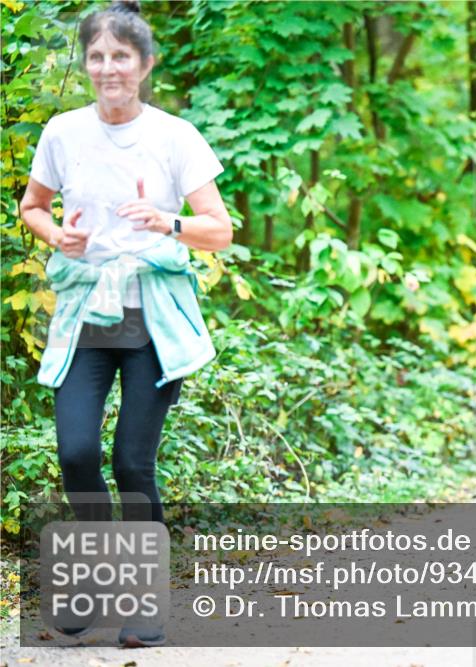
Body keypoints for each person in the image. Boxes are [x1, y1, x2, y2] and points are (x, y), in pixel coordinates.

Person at [19, 1, 232, 647]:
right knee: (76, 451)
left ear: (145, 63)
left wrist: (165, 221)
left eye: (121, 56)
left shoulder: (175, 136)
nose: (108, 68)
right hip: (86, 314)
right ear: (86, 63)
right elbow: (32, 206)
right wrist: (58, 234)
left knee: (132, 461)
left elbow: (218, 230)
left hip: (153, 322)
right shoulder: (62, 131)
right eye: (97, 56)